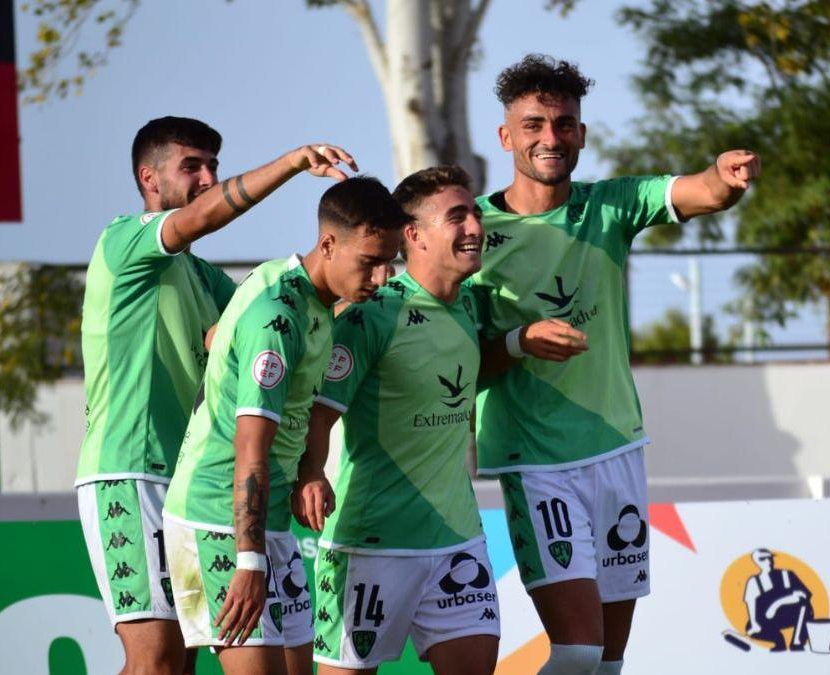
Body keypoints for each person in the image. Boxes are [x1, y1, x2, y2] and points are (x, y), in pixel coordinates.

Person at [470, 54, 761, 674]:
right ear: (506, 137)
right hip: (536, 462)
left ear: (582, 132)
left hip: (617, 451)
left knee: (606, 664)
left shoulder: (611, 205)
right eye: (534, 125)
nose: (552, 137)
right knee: (575, 654)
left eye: (565, 124)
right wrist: (520, 341)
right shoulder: (472, 231)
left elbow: (699, 190)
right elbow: (457, 362)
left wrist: (726, 178)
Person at [74, 115, 355, 675]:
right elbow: (202, 216)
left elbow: (298, 306)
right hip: (129, 472)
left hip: (191, 484)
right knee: (155, 658)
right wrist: (293, 162)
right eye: (191, 166)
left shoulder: (205, 278)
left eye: (213, 166)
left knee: (182, 663)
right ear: (148, 178)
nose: (207, 178)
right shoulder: (126, 241)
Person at [162, 176, 405, 675]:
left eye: (390, 262)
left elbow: (218, 340)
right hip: (219, 519)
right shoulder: (279, 318)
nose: (382, 278)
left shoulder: (306, 294)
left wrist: (310, 470)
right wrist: (249, 562)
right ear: (329, 244)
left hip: (269, 524)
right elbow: (251, 451)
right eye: (370, 262)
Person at [296, 165, 514, 674]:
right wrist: (309, 472)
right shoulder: (371, 315)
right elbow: (318, 415)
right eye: (457, 217)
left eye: (477, 214)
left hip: (458, 540)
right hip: (372, 544)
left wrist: (521, 343)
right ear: (412, 235)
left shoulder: (470, 308)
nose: (475, 228)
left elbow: (469, 370)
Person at [743, 548, 811, 652]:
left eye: (770, 558)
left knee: (805, 607)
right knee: (750, 628)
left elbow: (803, 596)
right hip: (768, 620)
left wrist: (777, 604)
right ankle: (779, 642)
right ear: (756, 561)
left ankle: (797, 643)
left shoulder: (786, 574)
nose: (768, 561)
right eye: (763, 559)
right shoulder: (754, 582)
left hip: (791, 616)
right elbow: (750, 602)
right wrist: (754, 623)